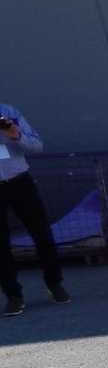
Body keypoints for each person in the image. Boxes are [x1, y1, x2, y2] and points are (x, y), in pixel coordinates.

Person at [0, 103, 68, 316]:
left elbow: (37, 146)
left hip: (20, 182)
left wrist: (15, 135)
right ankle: (13, 296)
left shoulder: (9, 113)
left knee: (42, 233)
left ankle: (54, 283)